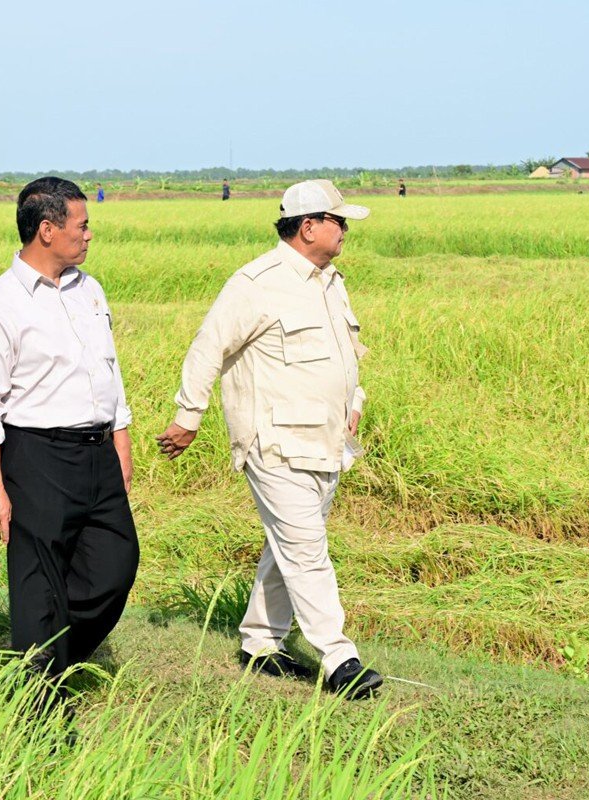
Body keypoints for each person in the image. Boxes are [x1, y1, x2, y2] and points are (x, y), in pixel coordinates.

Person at [157, 179, 382, 700]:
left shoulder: (331, 281)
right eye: (338, 220)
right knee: (306, 549)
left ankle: (260, 643)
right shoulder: (255, 284)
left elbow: (346, 355)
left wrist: (354, 403)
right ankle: (339, 659)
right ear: (309, 227)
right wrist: (188, 416)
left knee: (288, 547)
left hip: (326, 441)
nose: (345, 229)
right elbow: (207, 348)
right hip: (274, 442)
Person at [0, 177, 138, 696]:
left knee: (114, 567)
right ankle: (39, 704)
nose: (89, 236)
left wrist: (121, 445)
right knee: (39, 581)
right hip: (36, 456)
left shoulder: (90, 289)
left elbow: (110, 371)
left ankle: (53, 652)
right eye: (81, 226)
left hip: (98, 452)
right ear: (47, 230)